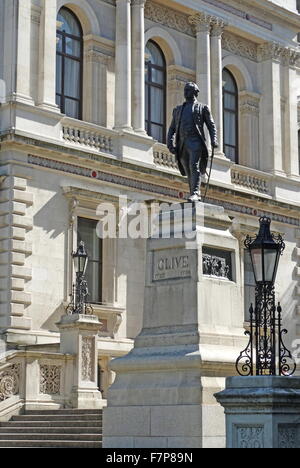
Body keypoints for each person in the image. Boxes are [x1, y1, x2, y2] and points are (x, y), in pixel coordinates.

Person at [167, 82, 218, 202]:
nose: (185, 93)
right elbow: (172, 128)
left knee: (194, 166)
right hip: (182, 143)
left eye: (188, 90)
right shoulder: (178, 110)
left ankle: (196, 193)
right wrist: (170, 143)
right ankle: (192, 193)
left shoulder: (202, 108)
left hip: (196, 141)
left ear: (195, 92)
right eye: (185, 90)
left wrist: (214, 140)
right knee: (188, 169)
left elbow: (211, 125)